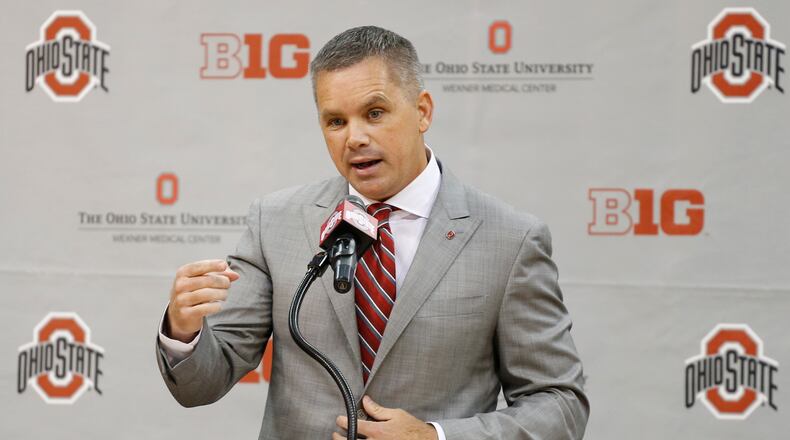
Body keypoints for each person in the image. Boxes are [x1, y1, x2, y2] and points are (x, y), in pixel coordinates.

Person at [156, 26, 589, 440]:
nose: (355, 138)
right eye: (335, 122)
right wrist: (184, 331)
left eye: (375, 113)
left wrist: (436, 436)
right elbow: (201, 385)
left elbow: (558, 404)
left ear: (422, 111)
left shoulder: (510, 239)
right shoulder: (277, 222)